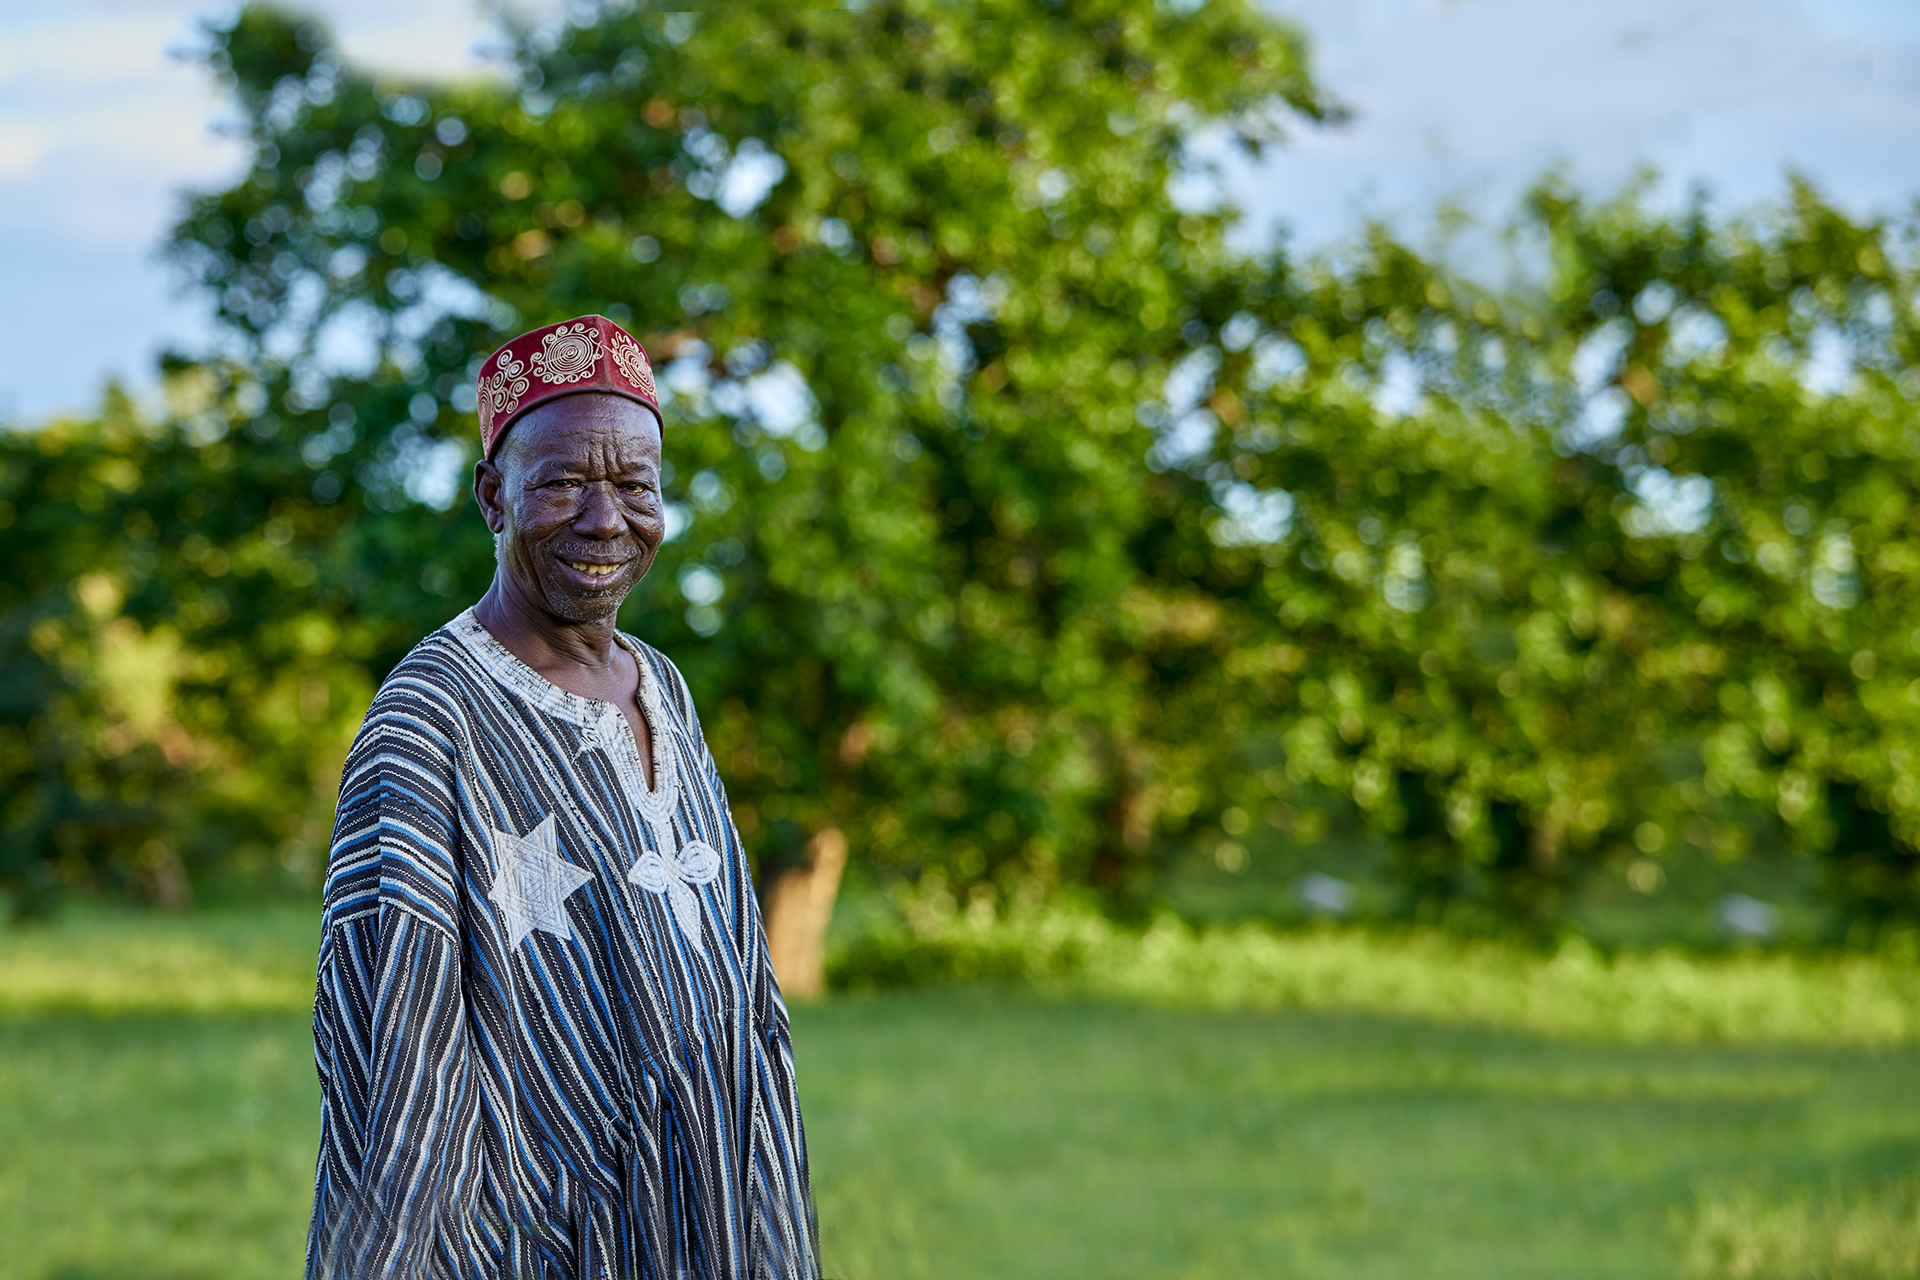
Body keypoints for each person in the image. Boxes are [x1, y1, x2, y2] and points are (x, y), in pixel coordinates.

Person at [306, 315, 821, 1279]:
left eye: (635, 486)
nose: (604, 519)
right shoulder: (430, 720)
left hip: (707, 1217)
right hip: (534, 1245)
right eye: (562, 484)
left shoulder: (662, 684)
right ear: (491, 495)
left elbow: (746, 988)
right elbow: (397, 1072)